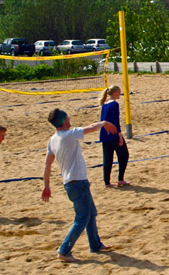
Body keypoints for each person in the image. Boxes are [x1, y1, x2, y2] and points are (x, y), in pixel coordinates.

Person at [42, 108, 117, 263]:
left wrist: (46, 186)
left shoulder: (53, 140)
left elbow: (47, 164)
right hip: (77, 182)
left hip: (71, 182)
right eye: (67, 117)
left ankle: (95, 244)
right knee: (82, 218)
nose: (70, 118)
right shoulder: (69, 135)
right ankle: (64, 250)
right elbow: (91, 128)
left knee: (91, 213)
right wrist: (104, 122)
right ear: (63, 120)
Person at [99, 85, 130, 188]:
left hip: (104, 133)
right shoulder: (114, 104)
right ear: (115, 93)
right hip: (113, 133)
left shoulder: (104, 103)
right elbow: (115, 121)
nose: (120, 93)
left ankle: (107, 183)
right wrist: (119, 135)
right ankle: (120, 179)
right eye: (119, 92)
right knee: (124, 155)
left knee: (107, 158)